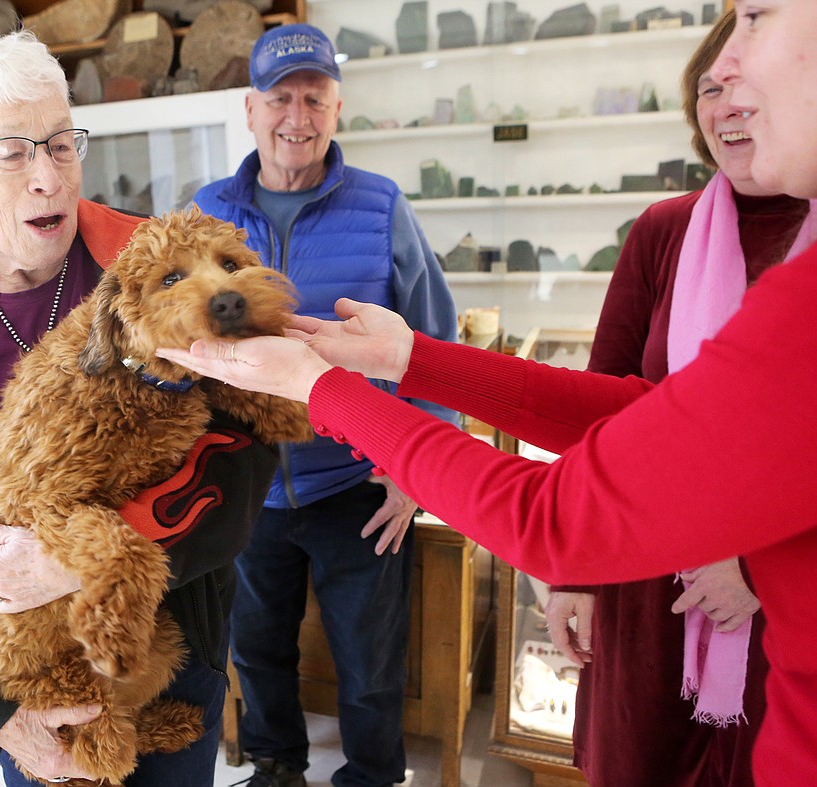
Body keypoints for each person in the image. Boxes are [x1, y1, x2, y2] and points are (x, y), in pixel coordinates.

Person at [157, 3, 817, 782]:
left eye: (754, 17)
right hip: (265, 492)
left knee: (371, 659)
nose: (724, 65)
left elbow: (556, 520)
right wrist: (412, 358)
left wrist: (328, 390)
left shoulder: (800, 310)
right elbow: (634, 410)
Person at [0, 31, 282, 787]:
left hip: (170, 642)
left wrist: (88, 555)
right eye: (10, 152)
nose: (48, 177)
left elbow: (246, 451)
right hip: (32, 683)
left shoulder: (155, 266)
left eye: (60, 144)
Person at [544, 10, 811, 786]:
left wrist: (755, 567)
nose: (726, 103)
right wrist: (573, 572)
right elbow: (597, 406)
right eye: (708, 87)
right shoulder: (663, 230)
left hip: (780, 602)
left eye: (743, 83)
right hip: (644, 582)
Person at [190, 23, 457, 787]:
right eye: (280, 97)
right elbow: (174, 340)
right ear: (251, 108)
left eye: (313, 96)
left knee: (370, 660)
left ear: (337, 108)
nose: (296, 116)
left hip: (358, 483)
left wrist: (417, 471)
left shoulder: (381, 205)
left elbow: (436, 344)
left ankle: (372, 776)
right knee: (258, 648)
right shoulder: (206, 213)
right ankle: (278, 768)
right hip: (244, 485)